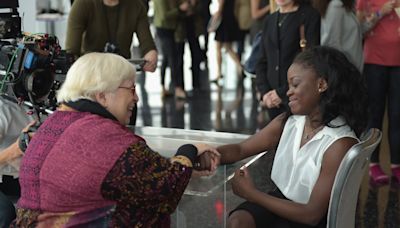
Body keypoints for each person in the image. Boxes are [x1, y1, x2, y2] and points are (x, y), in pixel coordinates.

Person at [14, 53, 219, 227]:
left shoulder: (52, 124)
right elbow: (165, 191)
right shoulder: (106, 138)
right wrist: (188, 151)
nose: (136, 98)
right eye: (131, 89)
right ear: (102, 95)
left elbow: (120, 177)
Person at [215, 46, 368, 227]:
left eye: (295, 84)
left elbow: (311, 214)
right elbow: (241, 149)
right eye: (289, 86)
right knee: (238, 221)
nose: (288, 92)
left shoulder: (339, 143)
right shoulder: (291, 121)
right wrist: (207, 154)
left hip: (312, 218)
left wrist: (252, 194)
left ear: (321, 85)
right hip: (282, 200)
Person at [356, 0, 400, 185]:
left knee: (397, 115)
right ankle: (373, 165)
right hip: (374, 63)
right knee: (375, 115)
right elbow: (359, 30)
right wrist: (381, 13)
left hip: (398, 64)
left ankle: (396, 165)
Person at [255, 0, 320, 120]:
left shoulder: (309, 16)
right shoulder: (270, 20)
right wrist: (265, 93)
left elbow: (311, 61)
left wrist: (281, 93)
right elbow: (261, 61)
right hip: (271, 100)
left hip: (297, 96)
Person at [0, 96, 35, 227]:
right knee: (4, 213)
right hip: (6, 180)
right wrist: (17, 149)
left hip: (29, 177)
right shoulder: (3, 110)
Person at [314, 0, 364, 72]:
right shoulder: (336, 5)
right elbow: (332, 43)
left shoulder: (342, 6)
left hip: (349, 67)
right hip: (345, 69)